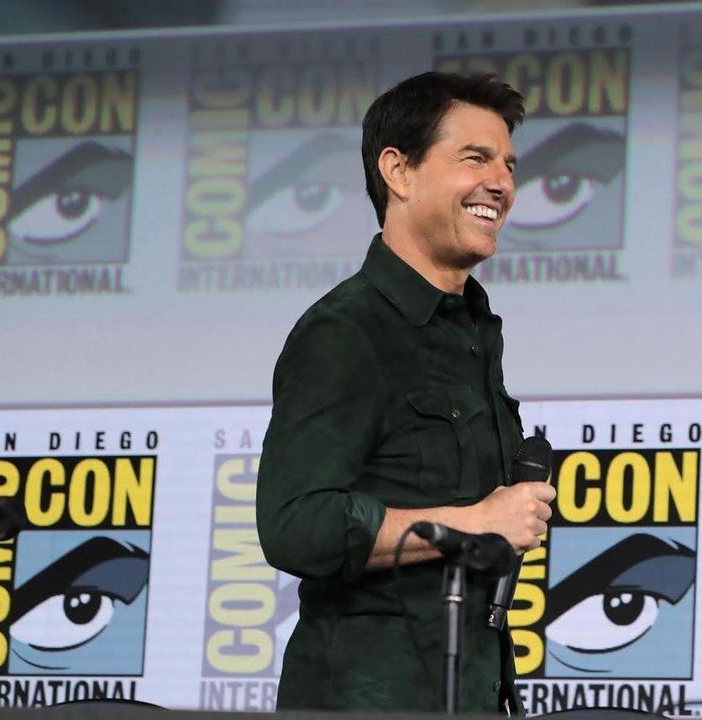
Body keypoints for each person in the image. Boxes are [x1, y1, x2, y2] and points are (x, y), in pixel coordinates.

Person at [256, 71, 556, 714]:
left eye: (508, 165)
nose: (501, 183)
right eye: (474, 158)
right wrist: (474, 522)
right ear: (398, 171)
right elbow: (295, 526)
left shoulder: (473, 332)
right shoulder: (346, 331)